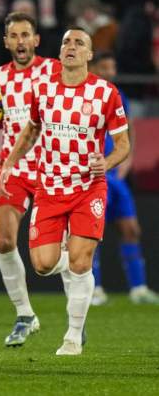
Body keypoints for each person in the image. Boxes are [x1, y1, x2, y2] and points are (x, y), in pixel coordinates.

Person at [0, 28, 130, 355]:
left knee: (81, 263)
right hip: (50, 188)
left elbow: (124, 145)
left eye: (79, 43)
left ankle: (72, 337)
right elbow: (31, 131)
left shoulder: (105, 93)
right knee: (43, 265)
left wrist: (108, 162)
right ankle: (73, 263)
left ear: (89, 55)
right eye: (67, 42)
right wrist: (10, 163)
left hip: (88, 188)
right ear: (59, 53)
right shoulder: (41, 90)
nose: (71, 47)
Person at [0, 12, 63, 347]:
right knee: (4, 241)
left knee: (56, 254)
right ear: (6, 42)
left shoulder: (52, 70)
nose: (20, 42)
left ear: (36, 40)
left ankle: (78, 304)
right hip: (12, 169)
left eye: (25, 35)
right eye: (13, 36)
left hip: (50, 166)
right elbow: (0, 119)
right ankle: (25, 315)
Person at [88, 51, 159, 305]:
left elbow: (128, 130)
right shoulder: (83, 96)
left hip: (115, 175)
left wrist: (126, 161)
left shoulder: (119, 97)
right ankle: (94, 290)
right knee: (92, 235)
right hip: (93, 175)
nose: (109, 72)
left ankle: (138, 288)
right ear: (94, 67)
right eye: (105, 67)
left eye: (112, 67)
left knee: (131, 229)